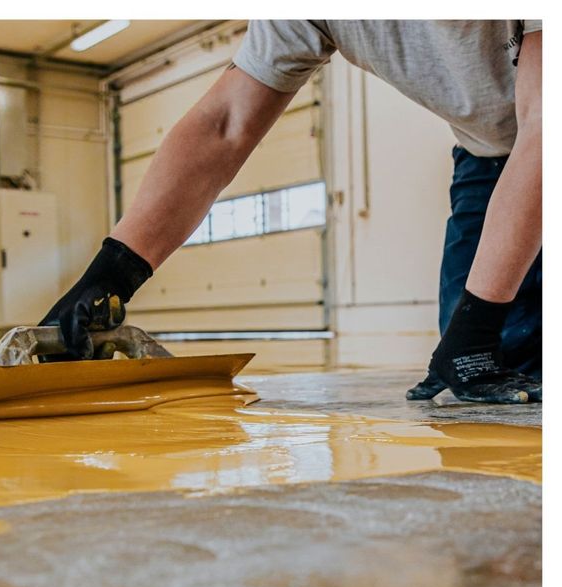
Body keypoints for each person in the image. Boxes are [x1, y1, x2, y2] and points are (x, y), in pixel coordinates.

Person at [41, 20, 542, 404]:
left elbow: (547, 126)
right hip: (488, 152)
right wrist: (111, 273)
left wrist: (473, 326)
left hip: (544, 130)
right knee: (502, 365)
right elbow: (223, 127)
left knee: (487, 341)